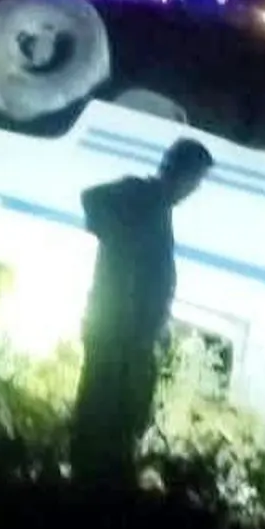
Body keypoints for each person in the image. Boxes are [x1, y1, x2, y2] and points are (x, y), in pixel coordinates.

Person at [69, 137, 215, 488]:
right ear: (179, 172)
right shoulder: (141, 194)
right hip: (116, 329)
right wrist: (122, 241)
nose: (193, 190)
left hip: (133, 334)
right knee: (103, 407)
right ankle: (87, 480)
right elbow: (91, 200)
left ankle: (99, 478)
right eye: (194, 180)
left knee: (122, 411)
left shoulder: (157, 205)